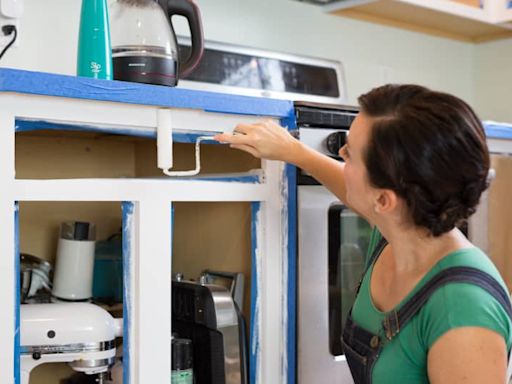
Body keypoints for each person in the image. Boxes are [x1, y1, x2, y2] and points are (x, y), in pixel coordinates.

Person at [214, 84, 512, 384]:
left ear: (384, 201)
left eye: (350, 154)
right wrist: (295, 152)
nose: (341, 155)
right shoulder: (397, 229)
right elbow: (350, 187)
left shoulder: (462, 309)